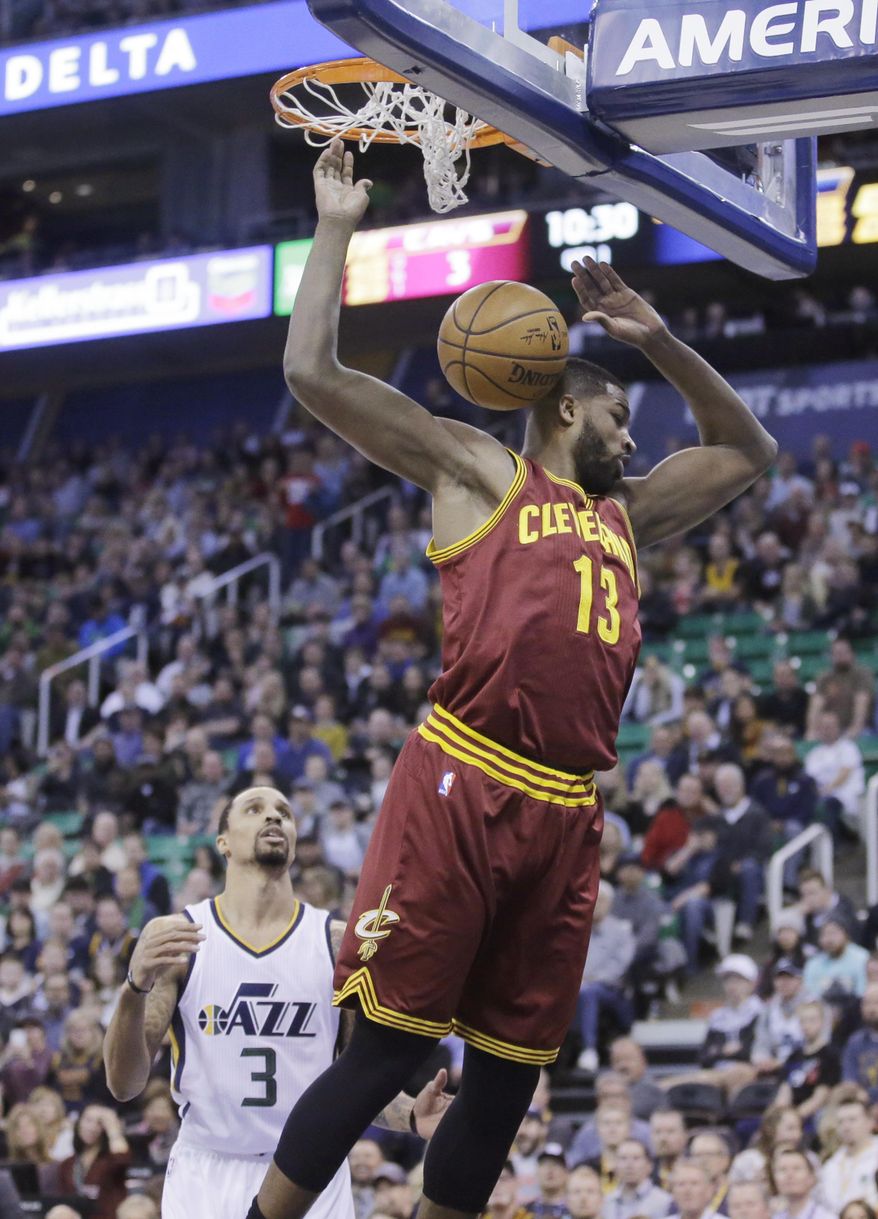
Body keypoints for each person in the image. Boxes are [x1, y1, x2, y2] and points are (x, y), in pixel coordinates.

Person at [254, 138, 777, 1219]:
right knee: (384, 1048)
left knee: (506, 1074)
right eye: (620, 418)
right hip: (460, 779)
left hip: (565, 810)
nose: (631, 441)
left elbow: (748, 452)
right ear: (566, 409)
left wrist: (661, 340)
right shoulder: (475, 468)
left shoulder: (630, 514)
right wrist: (337, 230)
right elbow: (312, 373)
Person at [104, 787, 450, 1219]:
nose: (274, 818)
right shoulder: (182, 939)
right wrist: (132, 989)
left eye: (284, 813)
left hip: (309, 1172)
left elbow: (359, 1084)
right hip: (207, 1171)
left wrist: (412, 1116)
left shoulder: (338, 943)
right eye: (255, 809)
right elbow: (124, 1084)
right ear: (223, 842)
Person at [818, 1097, 878, 1207]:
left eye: (852, 1119)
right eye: (841, 1122)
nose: (846, 1127)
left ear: (870, 1122)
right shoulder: (831, 1165)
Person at [605, 1138, 672, 1219]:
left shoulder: (664, 1202)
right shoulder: (606, 1202)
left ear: (649, 1165)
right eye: (623, 1158)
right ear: (615, 1166)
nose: (629, 1165)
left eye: (636, 1158)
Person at [771, 1148, 835, 1219]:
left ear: (811, 1177)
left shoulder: (825, 1217)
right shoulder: (775, 1217)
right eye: (782, 1169)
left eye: (797, 1168)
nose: (789, 1175)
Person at [842, 982, 878, 1103]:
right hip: (863, 1105)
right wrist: (858, 1094)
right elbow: (849, 1080)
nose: (872, 1009)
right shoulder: (855, 1041)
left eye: (876, 1002)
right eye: (867, 1003)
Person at [649, 1109, 687, 1191]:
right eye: (657, 1132)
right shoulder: (645, 1173)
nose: (663, 1138)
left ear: (685, 1135)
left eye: (670, 1132)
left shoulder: (697, 1171)